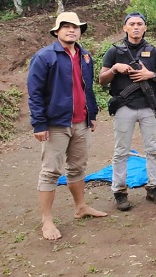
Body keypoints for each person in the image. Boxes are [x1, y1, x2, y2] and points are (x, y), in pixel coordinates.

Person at [27, 12, 107, 240]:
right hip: (55, 124)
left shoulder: (85, 55)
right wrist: (39, 124)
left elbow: (87, 88)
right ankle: (47, 221)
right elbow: (35, 94)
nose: (72, 30)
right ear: (56, 31)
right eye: (66, 26)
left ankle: (80, 207)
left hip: (81, 122)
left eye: (76, 27)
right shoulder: (44, 57)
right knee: (51, 171)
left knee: (78, 167)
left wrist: (91, 114)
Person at [99, 12, 156, 210]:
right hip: (124, 107)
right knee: (121, 151)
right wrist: (114, 69)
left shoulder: (154, 51)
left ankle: (154, 187)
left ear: (145, 28)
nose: (136, 27)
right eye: (132, 24)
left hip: (149, 107)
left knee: (153, 149)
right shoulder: (114, 51)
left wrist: (150, 75)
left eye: (140, 24)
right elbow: (101, 79)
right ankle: (120, 191)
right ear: (125, 28)